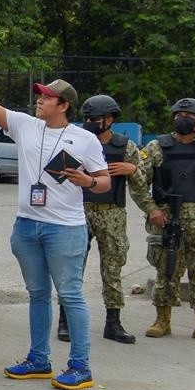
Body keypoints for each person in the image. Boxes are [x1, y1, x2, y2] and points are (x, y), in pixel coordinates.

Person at [0, 59, 112, 390]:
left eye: (47, 97)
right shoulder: (25, 125)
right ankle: (39, 359)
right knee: (37, 294)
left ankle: (80, 365)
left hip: (65, 229)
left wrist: (86, 181)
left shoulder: (84, 139)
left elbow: (105, 182)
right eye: (40, 96)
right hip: (27, 225)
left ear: (64, 106)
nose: (40, 100)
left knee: (70, 295)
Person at [129, 98, 195, 345]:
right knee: (167, 271)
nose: (182, 119)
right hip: (168, 220)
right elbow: (138, 183)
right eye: (179, 114)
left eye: (188, 115)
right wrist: (151, 209)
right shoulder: (156, 148)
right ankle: (162, 320)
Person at [73, 95, 141, 345]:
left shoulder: (126, 147)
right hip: (78, 209)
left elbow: (142, 185)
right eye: (88, 119)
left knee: (112, 269)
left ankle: (113, 323)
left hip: (111, 212)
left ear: (110, 119)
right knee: (72, 268)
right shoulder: (75, 142)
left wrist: (133, 170)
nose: (91, 123)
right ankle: (65, 322)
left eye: (96, 119)